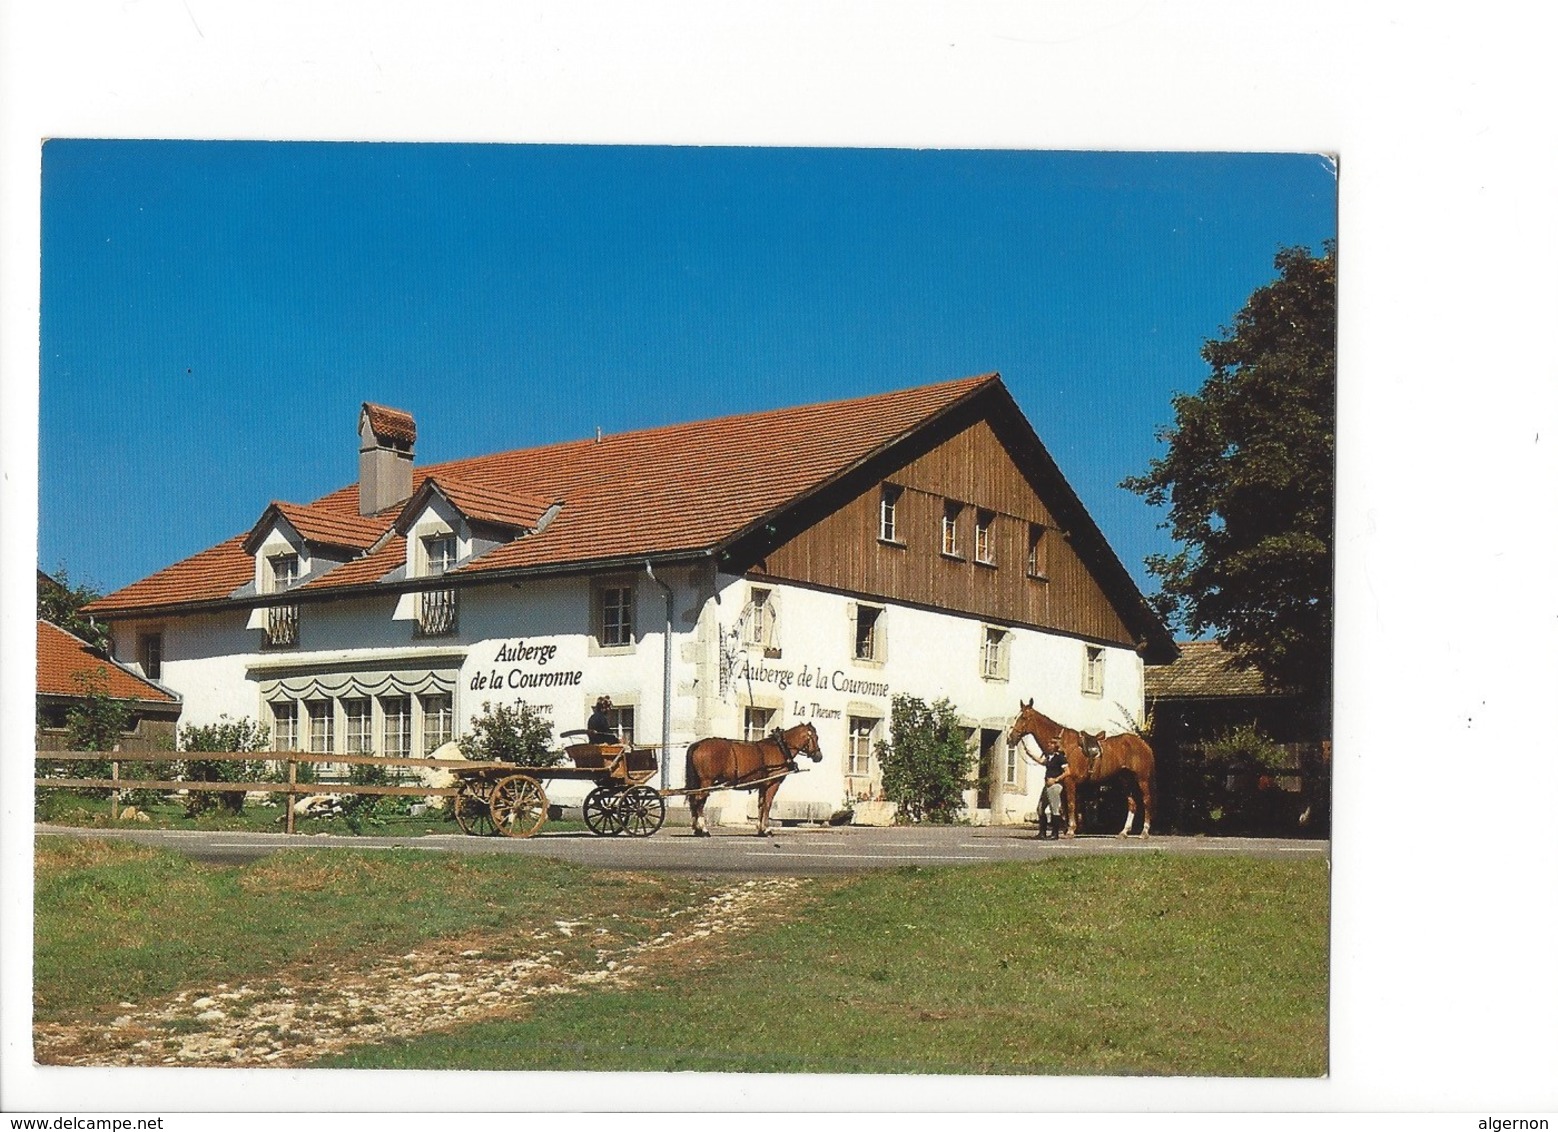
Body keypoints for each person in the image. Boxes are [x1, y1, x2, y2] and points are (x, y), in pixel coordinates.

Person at [1024, 734, 1068, 839]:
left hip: (1055, 786)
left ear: (1055, 746)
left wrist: (1055, 779)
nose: (1048, 746)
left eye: (1051, 744)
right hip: (1047, 785)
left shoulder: (1060, 758)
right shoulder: (1049, 758)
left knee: (1054, 809)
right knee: (1040, 808)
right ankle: (1042, 833)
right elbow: (1042, 762)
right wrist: (1029, 753)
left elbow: (1067, 772)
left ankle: (1055, 833)